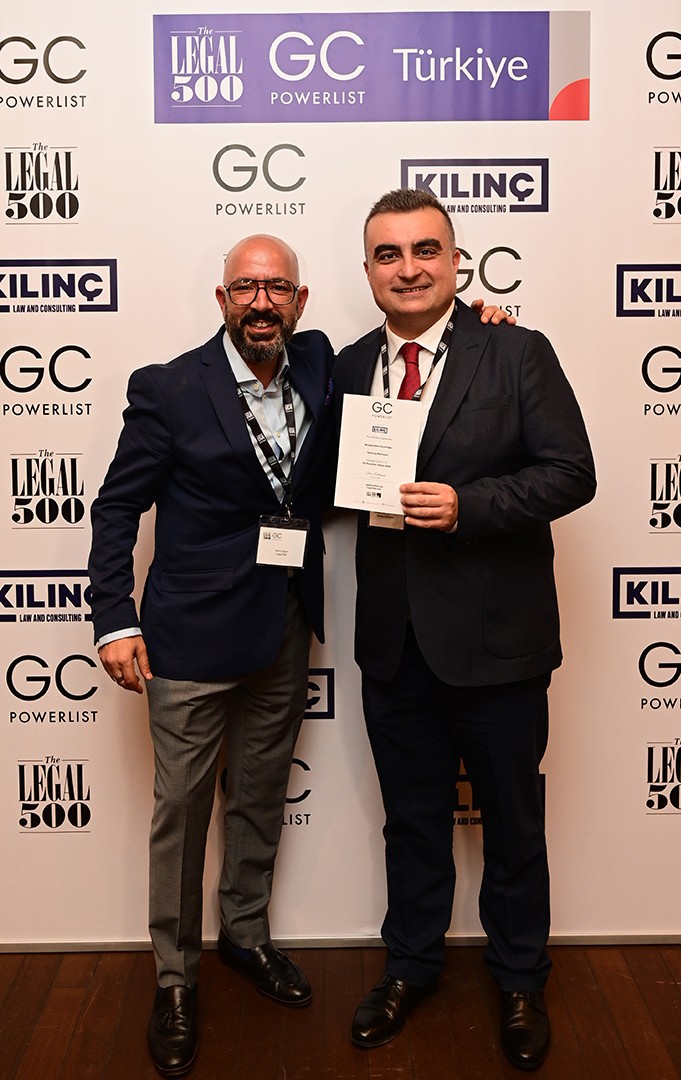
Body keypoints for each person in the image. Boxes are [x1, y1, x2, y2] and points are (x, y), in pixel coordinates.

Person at [88, 231, 511, 1077]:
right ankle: (175, 978)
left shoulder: (320, 363)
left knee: (257, 797)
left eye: (276, 288)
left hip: (283, 626)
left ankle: (244, 935)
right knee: (182, 813)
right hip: (188, 637)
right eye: (245, 288)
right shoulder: (168, 387)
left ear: (300, 302)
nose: (261, 302)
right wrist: (114, 619)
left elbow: (416, 344)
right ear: (222, 299)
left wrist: (477, 324)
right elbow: (115, 508)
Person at [332, 190, 596, 1071]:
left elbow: (571, 472)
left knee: (512, 826)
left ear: (455, 262)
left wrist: (467, 506)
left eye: (425, 251)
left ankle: (519, 978)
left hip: (496, 643)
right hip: (393, 644)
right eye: (388, 254)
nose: (407, 268)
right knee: (411, 823)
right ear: (367, 270)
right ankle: (409, 966)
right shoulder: (348, 366)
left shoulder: (515, 349)